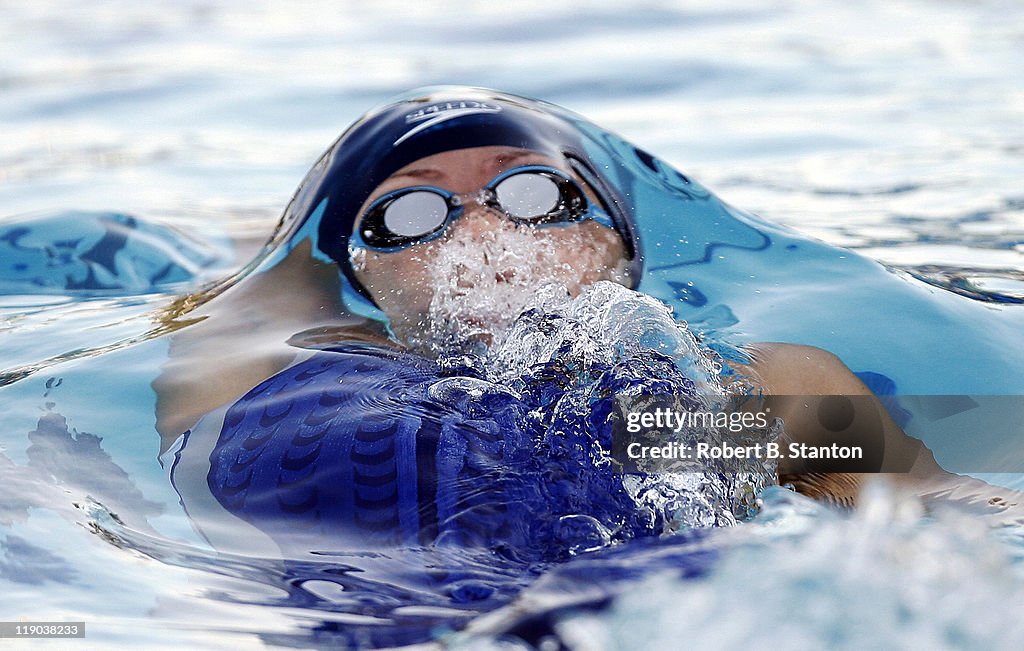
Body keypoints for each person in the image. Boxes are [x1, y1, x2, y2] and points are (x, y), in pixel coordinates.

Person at [154, 88, 1020, 554]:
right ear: (361, 276)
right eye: (409, 216)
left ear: (617, 248)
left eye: (535, 194)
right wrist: (290, 239)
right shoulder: (273, 383)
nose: (483, 231)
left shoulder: (751, 401)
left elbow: (958, 522)